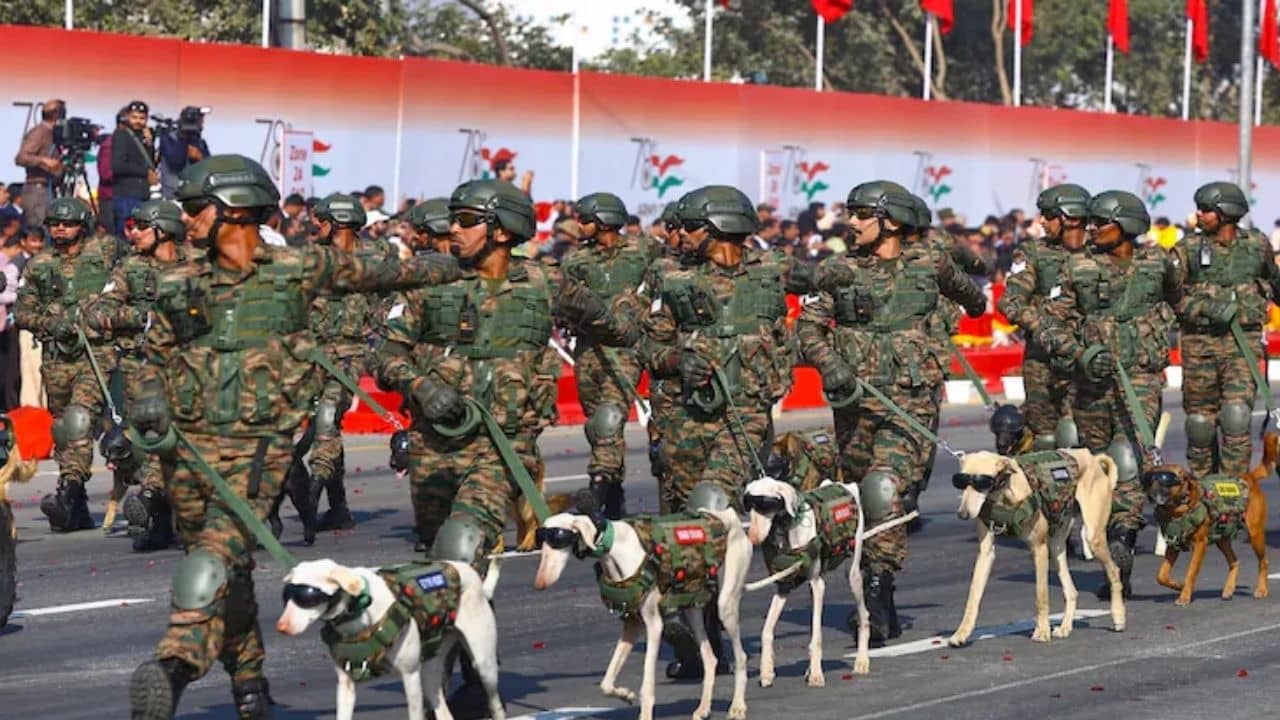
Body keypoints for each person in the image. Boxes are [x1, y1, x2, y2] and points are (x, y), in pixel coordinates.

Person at [125, 154, 460, 719]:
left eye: (196, 207)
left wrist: (463, 266)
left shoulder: (296, 268)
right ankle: (251, 686)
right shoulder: (180, 280)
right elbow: (153, 356)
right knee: (223, 568)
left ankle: (175, 664)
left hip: (262, 445)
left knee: (211, 560)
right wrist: (151, 399)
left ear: (234, 208)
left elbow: (387, 272)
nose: (186, 218)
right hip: (191, 449)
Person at [797, 181, 985, 645]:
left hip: (911, 401)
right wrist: (832, 364)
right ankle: (877, 587)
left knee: (886, 490)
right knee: (864, 498)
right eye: (850, 214)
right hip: (854, 405)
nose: (851, 223)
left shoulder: (930, 264)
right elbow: (808, 328)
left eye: (862, 215)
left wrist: (940, 318)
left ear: (893, 221)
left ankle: (878, 592)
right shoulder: (839, 270)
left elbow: (975, 303)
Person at [644, 185, 793, 678]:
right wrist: (679, 361)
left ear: (721, 229)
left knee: (711, 505)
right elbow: (652, 351)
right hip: (683, 422)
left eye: (689, 227)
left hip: (744, 419)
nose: (677, 235)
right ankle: (698, 641)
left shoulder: (774, 274)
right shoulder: (671, 281)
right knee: (683, 531)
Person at [1041, 189, 1185, 599]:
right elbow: (1051, 325)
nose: (1090, 230)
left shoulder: (1159, 263)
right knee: (1096, 464)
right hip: (1091, 382)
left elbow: (1180, 301)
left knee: (1127, 458)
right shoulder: (1077, 266)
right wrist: (1080, 354)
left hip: (1140, 376)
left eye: (1099, 223)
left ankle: (1123, 536)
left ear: (1127, 226)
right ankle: (1105, 535)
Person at [82, 200, 190, 551]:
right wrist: (141, 316)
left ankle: (167, 506)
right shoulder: (129, 268)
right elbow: (99, 312)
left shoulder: (197, 265)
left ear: (163, 231)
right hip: (138, 369)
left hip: (188, 366)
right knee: (146, 440)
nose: (134, 233)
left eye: (142, 227)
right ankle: (154, 506)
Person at [13, 197, 121, 533]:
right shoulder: (40, 265)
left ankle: (69, 490)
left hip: (96, 354)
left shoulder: (105, 252)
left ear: (82, 225)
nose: (60, 228)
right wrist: (49, 324)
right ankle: (75, 499)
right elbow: (23, 312)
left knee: (79, 419)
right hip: (58, 357)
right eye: (55, 223)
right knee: (64, 431)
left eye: (68, 223)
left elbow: (131, 281)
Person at [304, 193, 396, 543]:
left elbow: (391, 300)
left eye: (322, 220)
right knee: (323, 429)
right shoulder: (314, 258)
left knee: (328, 416)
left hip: (353, 352)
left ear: (340, 223)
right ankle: (338, 506)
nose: (315, 226)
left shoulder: (378, 256)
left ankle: (315, 485)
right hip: (313, 354)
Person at [561, 192, 659, 518]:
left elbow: (667, 281)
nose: (579, 225)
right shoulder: (575, 261)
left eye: (585, 219)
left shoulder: (644, 250)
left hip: (626, 350)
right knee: (596, 425)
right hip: (589, 351)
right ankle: (614, 491)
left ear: (603, 220)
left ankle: (598, 487)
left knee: (610, 418)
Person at [1178, 182, 1280, 480]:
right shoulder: (1187, 249)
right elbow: (1170, 297)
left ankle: (1233, 492)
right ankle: (1204, 487)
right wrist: (1204, 307)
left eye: (1207, 209)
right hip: (1200, 347)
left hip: (1242, 348)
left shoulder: (1256, 245)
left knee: (1236, 417)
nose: (1199, 214)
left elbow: (1275, 285)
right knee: (1199, 424)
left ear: (1227, 213)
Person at [998, 184, 1091, 451]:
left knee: (1081, 437)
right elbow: (1011, 302)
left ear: (1070, 217)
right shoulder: (1033, 253)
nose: (1042, 221)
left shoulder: (1098, 254)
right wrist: (1044, 327)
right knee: (1044, 438)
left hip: (1086, 357)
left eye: (1049, 215)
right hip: (1043, 359)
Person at [14, 99, 64, 229]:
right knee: (39, 229)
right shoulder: (39, 132)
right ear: (56, 114)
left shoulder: (54, 134)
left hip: (50, 189)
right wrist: (43, 160)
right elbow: (21, 157)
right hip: (38, 190)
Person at [111, 100, 157, 237]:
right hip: (126, 194)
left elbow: (150, 162)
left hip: (142, 194)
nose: (138, 121)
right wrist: (145, 173)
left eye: (141, 118)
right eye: (134, 117)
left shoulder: (144, 137)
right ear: (128, 117)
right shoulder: (122, 134)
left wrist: (149, 144)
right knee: (127, 235)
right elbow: (117, 166)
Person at [158, 106, 210, 200]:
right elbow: (176, 163)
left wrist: (200, 157)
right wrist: (183, 139)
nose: (202, 125)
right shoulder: (170, 138)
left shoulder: (200, 142)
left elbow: (209, 167)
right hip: (173, 194)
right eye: (200, 121)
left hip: (196, 193)